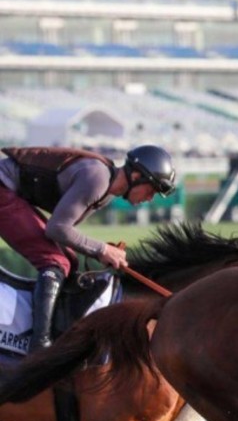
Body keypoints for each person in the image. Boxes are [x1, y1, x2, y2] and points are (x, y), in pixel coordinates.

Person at [0, 144, 176, 351]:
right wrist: (102, 249)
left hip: (12, 191)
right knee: (55, 261)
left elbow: (64, 231)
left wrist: (101, 251)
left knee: (69, 261)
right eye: (152, 190)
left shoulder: (107, 191)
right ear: (136, 176)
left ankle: (51, 331)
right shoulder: (97, 179)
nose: (150, 198)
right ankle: (40, 346)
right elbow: (57, 229)